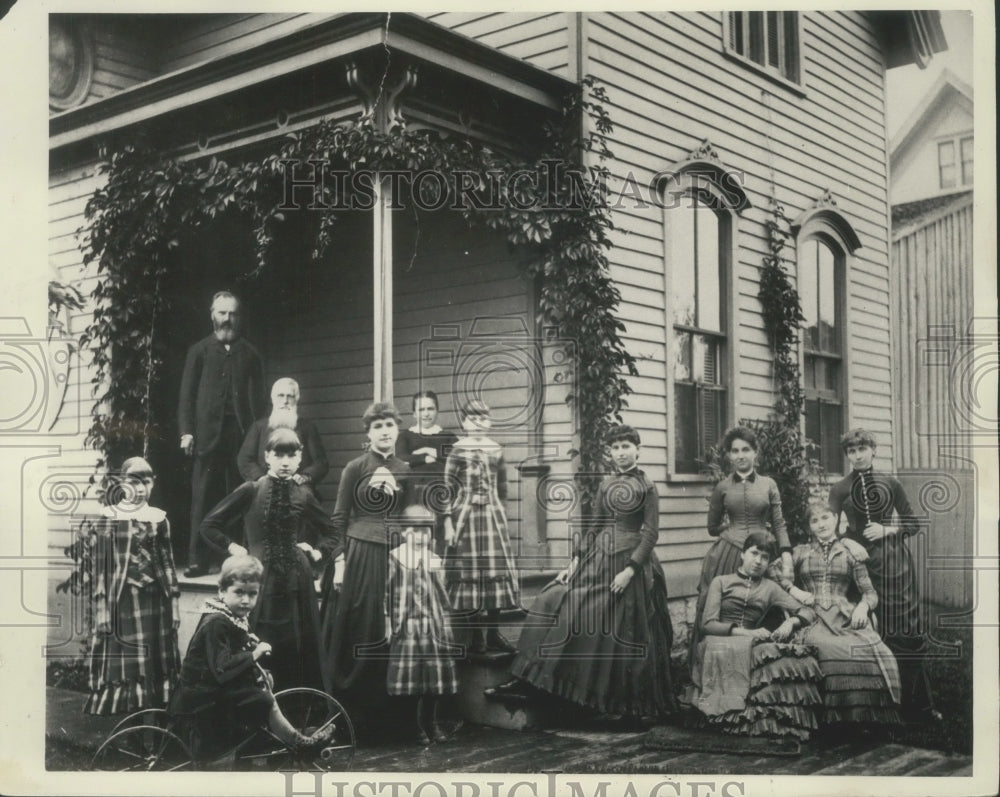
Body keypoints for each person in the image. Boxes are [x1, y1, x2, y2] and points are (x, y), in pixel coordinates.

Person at [487, 425, 678, 727]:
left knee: (591, 613)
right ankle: (528, 677)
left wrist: (630, 570)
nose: (621, 453)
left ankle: (611, 700)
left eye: (626, 446)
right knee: (551, 596)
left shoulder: (647, 486)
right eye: (615, 448)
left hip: (629, 565)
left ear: (638, 449)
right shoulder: (606, 484)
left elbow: (651, 534)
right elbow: (595, 526)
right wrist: (574, 563)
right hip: (597, 558)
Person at [199, 428, 336, 693]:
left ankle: (297, 713)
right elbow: (209, 525)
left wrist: (317, 551)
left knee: (297, 647)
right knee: (260, 643)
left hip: (298, 581)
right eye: (279, 454)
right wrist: (235, 548)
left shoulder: (304, 493)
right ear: (267, 457)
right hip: (260, 581)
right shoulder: (251, 489)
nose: (285, 461)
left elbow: (332, 531)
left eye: (291, 454)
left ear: (300, 458)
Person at [170, 555, 333, 765]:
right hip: (201, 698)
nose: (245, 600)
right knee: (266, 700)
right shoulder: (216, 622)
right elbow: (221, 667)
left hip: (210, 689)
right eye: (238, 592)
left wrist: (249, 645)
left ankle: (268, 741)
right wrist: (254, 654)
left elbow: (231, 650)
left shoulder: (229, 615)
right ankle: (298, 744)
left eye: (252, 594)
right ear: (221, 591)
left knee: (263, 684)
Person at [827, 428, 940, 723]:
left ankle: (917, 706)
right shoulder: (839, 488)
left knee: (905, 630)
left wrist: (887, 530)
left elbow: (913, 524)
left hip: (893, 563)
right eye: (851, 451)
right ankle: (875, 707)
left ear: (873, 450)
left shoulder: (891, 482)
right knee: (868, 631)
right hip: (858, 564)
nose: (857, 455)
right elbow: (829, 529)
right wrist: (849, 541)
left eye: (862, 448)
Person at [320, 402, 409, 712]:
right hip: (360, 554)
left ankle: (386, 715)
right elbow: (338, 520)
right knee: (363, 624)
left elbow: (409, 517)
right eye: (377, 426)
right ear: (369, 433)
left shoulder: (405, 470)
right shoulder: (355, 467)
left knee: (395, 629)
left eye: (389, 425)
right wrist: (340, 564)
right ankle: (354, 712)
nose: (384, 431)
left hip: (397, 555)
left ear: (397, 429)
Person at [782, 500, 902, 727]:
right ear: (809, 527)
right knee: (825, 648)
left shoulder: (850, 553)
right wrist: (793, 589)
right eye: (814, 520)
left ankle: (866, 718)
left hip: (845, 615)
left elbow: (870, 593)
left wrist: (863, 607)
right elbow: (773, 570)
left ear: (836, 520)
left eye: (825, 518)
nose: (821, 524)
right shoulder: (801, 552)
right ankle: (831, 719)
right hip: (812, 616)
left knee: (872, 650)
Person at [692, 532, 822, 740]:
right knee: (727, 650)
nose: (758, 561)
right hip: (720, 639)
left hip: (752, 643)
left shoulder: (771, 588)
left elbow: (808, 611)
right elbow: (707, 624)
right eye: (754, 553)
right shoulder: (721, 582)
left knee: (793, 662)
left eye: (765, 557)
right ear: (742, 554)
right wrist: (747, 633)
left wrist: (790, 622)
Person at [689, 426, 793, 673]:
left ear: (755, 453)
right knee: (720, 609)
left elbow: (778, 522)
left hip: (762, 553)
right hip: (727, 554)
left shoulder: (768, 484)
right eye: (734, 451)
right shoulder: (723, 487)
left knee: (769, 608)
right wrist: (731, 531)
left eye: (746, 449)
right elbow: (712, 527)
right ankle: (715, 670)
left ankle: (763, 671)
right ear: (729, 456)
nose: (740, 455)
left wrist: (787, 555)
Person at [83, 457, 182, 715]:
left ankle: (158, 728)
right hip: (125, 601)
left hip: (156, 600)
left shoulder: (159, 520)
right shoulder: (111, 520)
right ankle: (132, 732)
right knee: (132, 663)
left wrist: (174, 602)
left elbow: (168, 563)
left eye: (145, 482)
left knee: (157, 662)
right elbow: (101, 569)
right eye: (133, 482)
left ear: (153, 483)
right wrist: (103, 610)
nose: (139, 489)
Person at [179, 291, 266, 577]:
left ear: (239, 317)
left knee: (240, 498)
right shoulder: (199, 351)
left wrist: (259, 438)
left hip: (241, 437)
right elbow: (187, 397)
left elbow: (260, 401)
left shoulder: (251, 354)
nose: (227, 319)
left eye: (233, 313)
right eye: (222, 313)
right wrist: (187, 432)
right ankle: (197, 559)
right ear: (212, 315)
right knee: (202, 497)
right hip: (207, 438)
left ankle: (236, 561)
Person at [443, 399, 520, 654]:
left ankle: (493, 633)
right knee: (471, 574)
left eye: (482, 419)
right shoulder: (457, 451)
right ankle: (475, 637)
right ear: (464, 422)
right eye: (472, 419)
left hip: (492, 517)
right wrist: (448, 523)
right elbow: (447, 489)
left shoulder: (496, 450)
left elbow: (503, 489)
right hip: (465, 516)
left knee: (493, 572)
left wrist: (502, 515)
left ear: (489, 421)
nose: (477, 424)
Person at [385, 505, 460, 744]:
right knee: (411, 677)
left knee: (433, 677)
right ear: (405, 532)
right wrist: (388, 621)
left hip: (433, 624)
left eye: (425, 532)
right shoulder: (395, 557)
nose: (420, 537)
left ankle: (431, 721)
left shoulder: (433, 559)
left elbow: (442, 593)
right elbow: (386, 592)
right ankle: (414, 725)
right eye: (415, 532)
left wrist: (445, 621)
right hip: (407, 625)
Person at [237, 377, 330, 499]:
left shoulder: (307, 427)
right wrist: (260, 478)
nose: (285, 401)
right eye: (280, 396)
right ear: (273, 399)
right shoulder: (259, 427)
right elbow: (245, 459)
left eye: (290, 396)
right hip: (264, 486)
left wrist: (305, 476)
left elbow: (321, 462)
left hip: (297, 486)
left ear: (296, 399)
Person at [396, 390, 458, 553]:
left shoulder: (447, 436)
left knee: (438, 539)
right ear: (414, 413)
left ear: (437, 410)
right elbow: (401, 457)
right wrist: (426, 457)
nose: (426, 413)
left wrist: (432, 452)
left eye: (430, 409)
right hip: (414, 495)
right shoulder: (406, 436)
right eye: (421, 409)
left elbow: (457, 456)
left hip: (441, 495)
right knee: (415, 537)